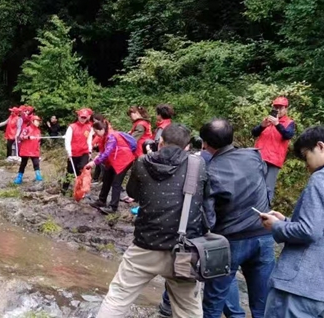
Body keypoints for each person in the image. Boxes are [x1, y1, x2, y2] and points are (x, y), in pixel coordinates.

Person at [96, 123, 206, 318]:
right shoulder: (198, 165)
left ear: (160, 142)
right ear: (187, 146)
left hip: (145, 244)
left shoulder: (142, 162)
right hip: (183, 248)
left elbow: (133, 192)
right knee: (188, 309)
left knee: (118, 297)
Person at [259, 126, 324, 318]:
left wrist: (276, 226)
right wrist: (286, 221)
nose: (307, 165)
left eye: (306, 156)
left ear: (320, 146)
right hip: (322, 290)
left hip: (296, 286)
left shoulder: (323, 178)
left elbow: (309, 231)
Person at [158, 136, 246, 318]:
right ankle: (235, 314)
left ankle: (167, 304)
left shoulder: (198, 161)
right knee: (220, 272)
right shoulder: (236, 162)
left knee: (183, 264)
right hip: (221, 226)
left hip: (198, 224)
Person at [202, 118, 275, 318]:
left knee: (214, 300)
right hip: (263, 233)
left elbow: (208, 218)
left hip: (230, 240)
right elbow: (265, 186)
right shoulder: (254, 156)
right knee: (263, 303)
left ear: (205, 143)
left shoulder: (210, 171)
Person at [84, 119, 137, 214]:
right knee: (107, 179)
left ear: (101, 129)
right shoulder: (105, 136)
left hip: (123, 161)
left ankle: (113, 207)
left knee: (116, 183)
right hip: (114, 161)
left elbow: (107, 152)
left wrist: (94, 162)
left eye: (96, 132)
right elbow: (103, 152)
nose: (96, 134)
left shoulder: (111, 136)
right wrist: (96, 159)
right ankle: (101, 201)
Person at [252, 97, 295, 203]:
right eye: (276, 107)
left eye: (280, 107)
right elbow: (254, 133)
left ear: (286, 109)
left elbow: (288, 135)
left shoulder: (289, 122)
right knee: (254, 184)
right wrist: (262, 126)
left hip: (274, 160)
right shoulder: (267, 120)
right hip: (259, 156)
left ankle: (265, 209)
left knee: (268, 187)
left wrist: (277, 124)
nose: (278, 110)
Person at [61, 108, 94, 194]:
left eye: (84, 117)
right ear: (78, 116)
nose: (83, 119)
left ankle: (80, 190)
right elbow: (67, 140)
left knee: (82, 169)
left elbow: (89, 140)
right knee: (70, 171)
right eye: (81, 117)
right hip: (73, 153)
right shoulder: (72, 127)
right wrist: (69, 151)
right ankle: (64, 189)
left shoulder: (89, 127)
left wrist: (90, 151)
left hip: (84, 152)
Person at [15, 114, 43, 184]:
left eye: (39, 121)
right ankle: (19, 177)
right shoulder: (27, 129)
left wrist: (39, 141)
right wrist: (28, 137)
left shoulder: (38, 131)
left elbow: (39, 141)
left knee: (36, 163)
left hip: (34, 150)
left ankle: (38, 176)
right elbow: (21, 137)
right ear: (32, 121)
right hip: (26, 150)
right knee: (23, 164)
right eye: (37, 121)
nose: (38, 123)